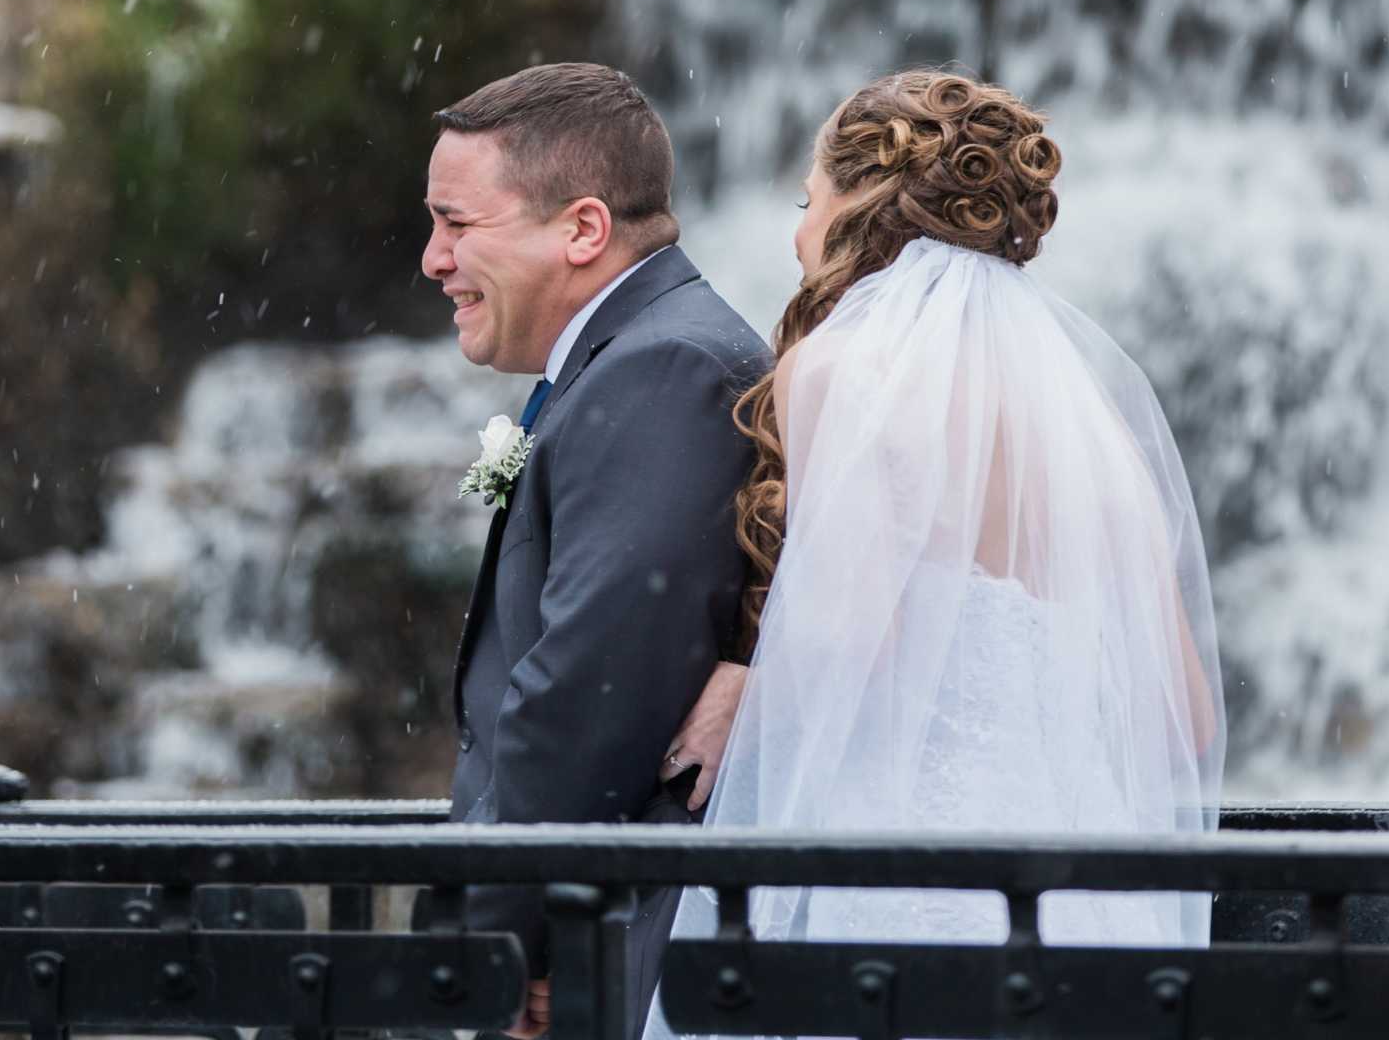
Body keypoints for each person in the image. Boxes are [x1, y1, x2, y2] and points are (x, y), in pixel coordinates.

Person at [644, 69, 1226, 1038]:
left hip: (899, 880)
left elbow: (843, 650)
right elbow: (1189, 715)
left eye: (807, 199)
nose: (797, 232)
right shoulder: (1092, 416)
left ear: (860, 201)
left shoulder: (840, 367)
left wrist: (743, 679)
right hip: (1079, 902)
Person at [420, 62, 770, 1040]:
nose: (432, 259)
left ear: (581, 230)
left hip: (615, 947)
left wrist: (487, 949)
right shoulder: (640, 357)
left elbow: (588, 692)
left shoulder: (664, 369)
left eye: (456, 223)